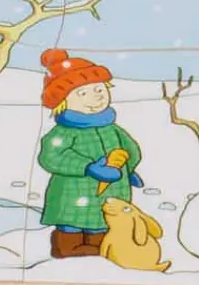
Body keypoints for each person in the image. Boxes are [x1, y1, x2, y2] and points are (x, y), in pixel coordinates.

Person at [36, 48, 145, 259]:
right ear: (63, 101)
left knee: (103, 223)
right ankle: (67, 249)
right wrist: (87, 167)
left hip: (112, 191)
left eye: (99, 89)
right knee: (72, 226)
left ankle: (100, 249)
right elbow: (51, 156)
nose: (96, 97)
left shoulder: (112, 128)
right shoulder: (63, 132)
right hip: (73, 193)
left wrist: (129, 169)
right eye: (82, 93)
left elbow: (130, 149)